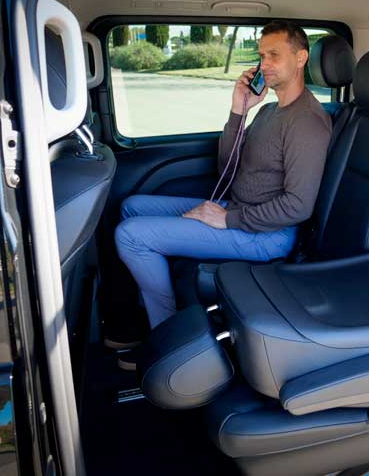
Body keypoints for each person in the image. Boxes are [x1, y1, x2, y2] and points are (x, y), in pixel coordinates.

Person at [111, 21, 332, 362]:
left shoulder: (307, 121)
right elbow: (229, 163)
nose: (264, 65)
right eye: (261, 56)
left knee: (131, 236)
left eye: (274, 55)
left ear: (301, 57)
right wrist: (239, 109)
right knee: (132, 207)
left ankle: (168, 339)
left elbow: (299, 207)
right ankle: (145, 311)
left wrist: (227, 218)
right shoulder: (271, 109)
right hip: (239, 208)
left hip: (266, 234)